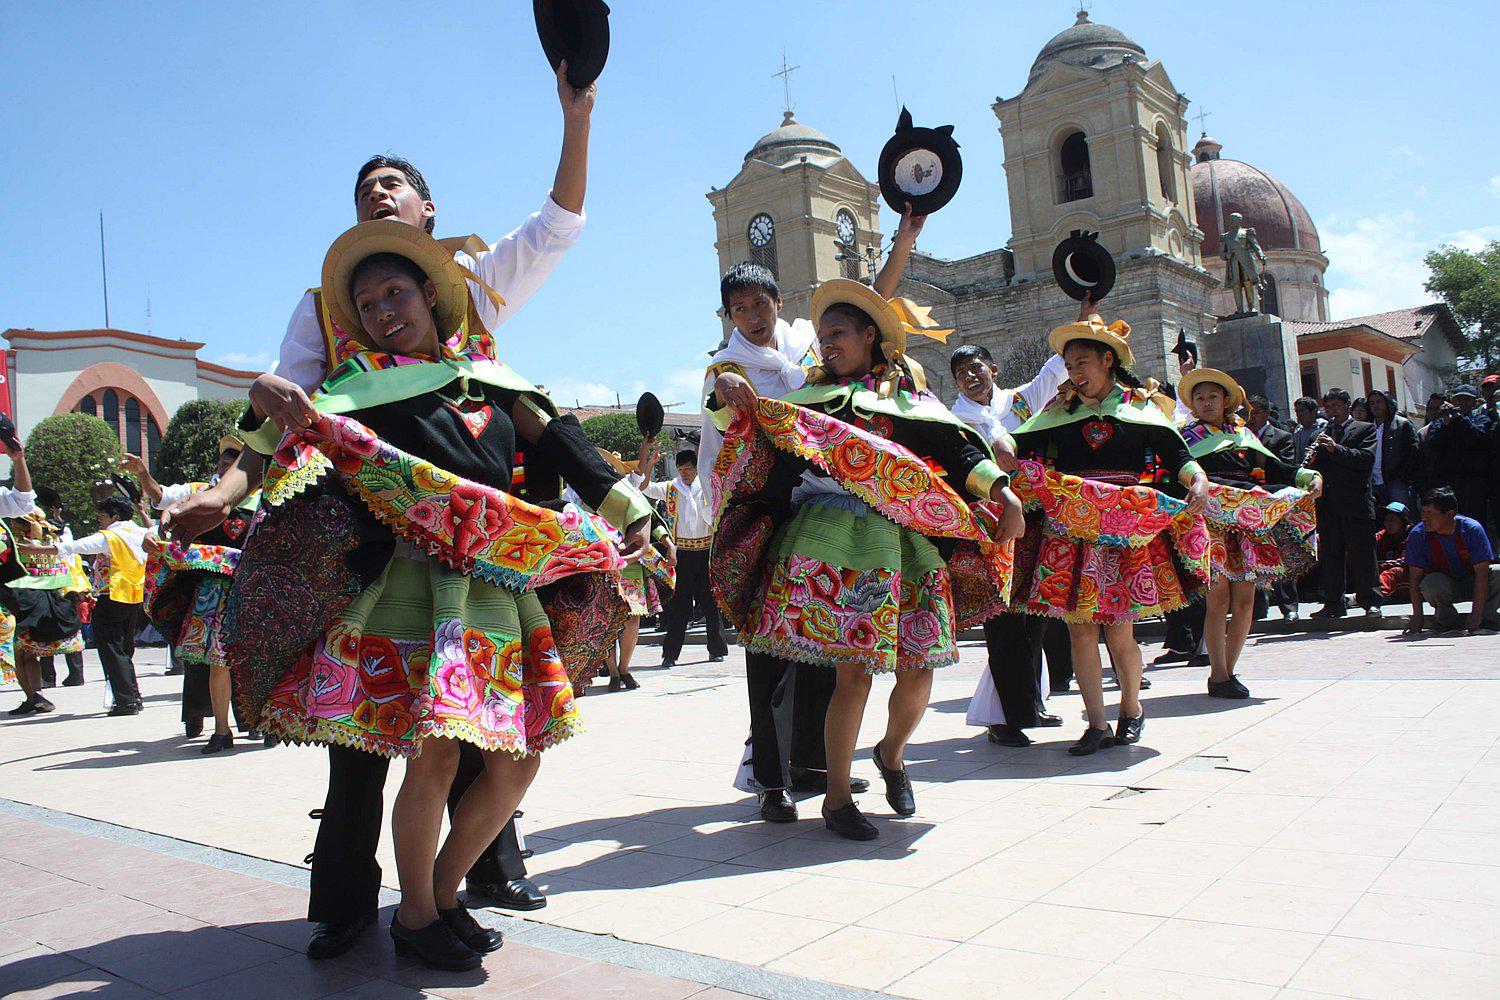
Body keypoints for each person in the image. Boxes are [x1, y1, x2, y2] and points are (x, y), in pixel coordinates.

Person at [161, 66, 594, 939]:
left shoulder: (470, 288)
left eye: (390, 184)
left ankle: (473, 880)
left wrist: (576, 115)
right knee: (363, 746)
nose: (375, 195)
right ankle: (350, 908)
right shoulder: (323, 310)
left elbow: (557, 226)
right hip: (371, 538)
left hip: (482, 536)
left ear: (427, 213)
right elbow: (277, 412)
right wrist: (221, 490)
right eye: (362, 191)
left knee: (488, 726)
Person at [229, 220, 652, 969]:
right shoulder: (352, 392)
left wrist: (628, 507)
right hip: (414, 592)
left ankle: (445, 892)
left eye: (395, 292)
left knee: (518, 759)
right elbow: (276, 446)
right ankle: (418, 916)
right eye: (366, 303)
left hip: (499, 587)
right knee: (435, 759)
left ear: (431, 295)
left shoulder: (493, 381)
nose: (383, 309)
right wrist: (257, 402)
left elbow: (559, 441)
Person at [711, 278, 1023, 840]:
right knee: (850, 675)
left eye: (838, 334)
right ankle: (835, 799)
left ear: (870, 336)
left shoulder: (909, 402)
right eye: (822, 335)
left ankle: (892, 753)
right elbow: (746, 425)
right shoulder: (806, 400)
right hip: (827, 539)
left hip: (905, 544)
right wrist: (723, 386)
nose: (826, 344)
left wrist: (1002, 491)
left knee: (918, 670)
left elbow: (958, 450)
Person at [1009, 314, 1209, 754]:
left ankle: (1131, 709)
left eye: (1083, 363)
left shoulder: (1139, 410)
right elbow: (1017, 447)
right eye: (1070, 366)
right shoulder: (1058, 413)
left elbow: (1178, 454)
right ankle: (1096, 724)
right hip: (1072, 532)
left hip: (1125, 531)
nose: (1075, 374)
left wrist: (1197, 478)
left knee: (1119, 631)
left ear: (1107, 360)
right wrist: (1000, 447)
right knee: (1081, 630)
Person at [948, 324, 1070, 747]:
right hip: (990, 527)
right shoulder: (954, 420)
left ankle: (1029, 703)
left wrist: (1085, 316)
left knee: (1035, 613)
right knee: (1002, 620)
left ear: (994, 369)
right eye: (961, 372)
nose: (970, 376)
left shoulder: (1018, 403)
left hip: (1036, 521)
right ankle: (1002, 717)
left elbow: (1054, 372)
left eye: (975, 367)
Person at [1180, 370, 1321, 699]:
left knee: (1245, 600)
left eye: (1212, 397)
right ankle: (1218, 671)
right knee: (1218, 598)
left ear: (1225, 401)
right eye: (1200, 398)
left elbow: (1277, 469)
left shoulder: (1244, 437)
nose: (1206, 403)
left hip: (1245, 524)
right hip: (1210, 523)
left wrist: (1307, 476)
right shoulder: (1184, 439)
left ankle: (1227, 673)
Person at [129, 441, 258, 750]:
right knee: (214, 660)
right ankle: (220, 729)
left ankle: (257, 722)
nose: (229, 468)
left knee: (254, 657)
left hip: (253, 586)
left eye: (238, 463)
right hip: (210, 587)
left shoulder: (264, 497)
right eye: (225, 462)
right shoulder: (200, 492)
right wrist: (144, 477)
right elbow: (163, 501)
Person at [24, 495, 149, 715]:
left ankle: (126, 701)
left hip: (113, 596)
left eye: (102, 516)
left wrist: (34, 550)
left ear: (114, 516)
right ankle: (133, 696)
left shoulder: (110, 536)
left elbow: (74, 547)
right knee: (124, 650)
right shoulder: (140, 532)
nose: (99, 520)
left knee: (112, 650)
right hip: (135, 597)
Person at [634, 445, 726, 668]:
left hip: (705, 550)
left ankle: (717, 649)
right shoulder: (671, 488)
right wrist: (651, 463)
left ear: (696, 468)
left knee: (710, 602)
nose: (684, 472)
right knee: (680, 605)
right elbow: (643, 487)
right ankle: (670, 654)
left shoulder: (706, 486)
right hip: (682, 553)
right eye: (681, 468)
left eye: (688, 468)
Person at [1307, 388, 1380, 620]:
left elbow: (1365, 460)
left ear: (1348, 405)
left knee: (1362, 554)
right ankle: (1333, 603)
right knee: (1331, 555)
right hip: (1328, 504)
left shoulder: (1365, 428)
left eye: (1337, 406)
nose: (1332, 411)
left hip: (1355, 502)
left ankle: (1371, 602)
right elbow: (1315, 469)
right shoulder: (1321, 433)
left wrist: (1334, 448)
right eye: (1328, 407)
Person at [1403, 487, 1500, 633]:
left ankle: (1487, 617)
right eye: (1423, 512)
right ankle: (1447, 621)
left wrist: (1476, 613)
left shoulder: (1472, 529)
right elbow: (1414, 579)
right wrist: (1417, 616)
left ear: (1449, 514)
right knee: (1430, 582)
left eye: (1430, 513)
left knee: (1498, 573)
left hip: (1472, 581)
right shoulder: (1418, 535)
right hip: (1445, 585)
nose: (1424, 518)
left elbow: (1482, 574)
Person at [1246, 394, 1302, 620]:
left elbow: (1285, 467)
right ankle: (1258, 607)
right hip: (1250, 502)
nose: (1252, 417)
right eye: (1249, 412)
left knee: (1281, 553)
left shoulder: (1281, 437)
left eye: (1257, 411)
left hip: (1273, 499)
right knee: (1253, 555)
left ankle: (1289, 607)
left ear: (1267, 413)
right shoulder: (1241, 436)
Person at [33, 488, 87, 688]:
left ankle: (49, 677)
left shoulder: (54, 535)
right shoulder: (66, 533)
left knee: (47, 628)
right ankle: (74, 674)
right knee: (69, 628)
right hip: (66, 586)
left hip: (54, 585)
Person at [1425, 385, 1490, 523]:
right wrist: (1447, 424)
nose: (1462, 403)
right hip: (1448, 483)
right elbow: (1434, 444)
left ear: (1474, 403)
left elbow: (1478, 438)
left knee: (1474, 522)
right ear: (1452, 401)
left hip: (1473, 483)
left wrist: (1458, 419)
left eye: (1467, 399)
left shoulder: (1481, 420)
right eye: (1459, 399)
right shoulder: (1441, 422)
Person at [1367, 389, 1417, 510]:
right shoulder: (1367, 426)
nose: (1375, 406)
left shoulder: (1401, 424)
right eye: (1372, 403)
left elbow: (1412, 452)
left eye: (1379, 402)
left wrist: (1403, 475)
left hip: (1396, 482)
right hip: (1373, 482)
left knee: (1401, 516)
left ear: (1387, 403)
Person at [1376, 501, 1413, 601]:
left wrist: (1377, 565)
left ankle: (1369, 597)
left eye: (1393, 519)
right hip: (1390, 585)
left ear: (1403, 521)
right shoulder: (1381, 536)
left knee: (1396, 572)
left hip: (1413, 581)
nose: (1389, 523)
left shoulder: (1413, 535)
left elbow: (1406, 561)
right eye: (1386, 520)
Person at [1291, 396, 1327, 466]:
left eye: (1302, 410)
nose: (1298, 414)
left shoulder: (1322, 426)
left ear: (1313, 412)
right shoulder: (1298, 430)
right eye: (1296, 411)